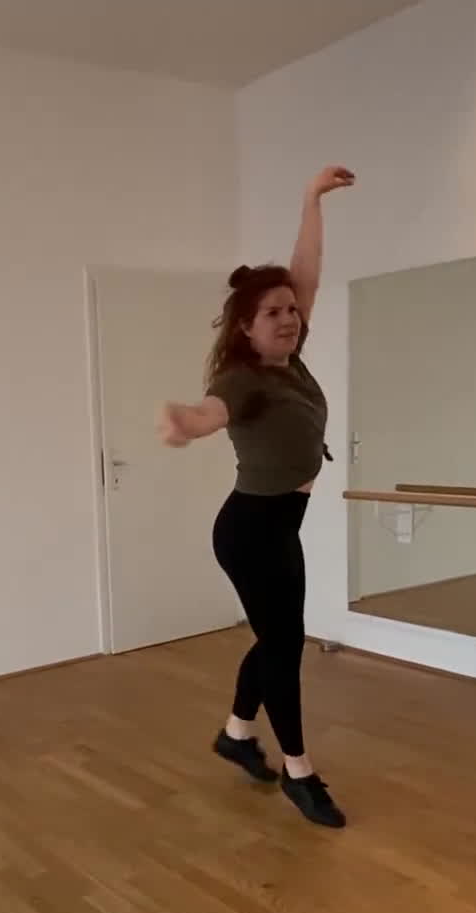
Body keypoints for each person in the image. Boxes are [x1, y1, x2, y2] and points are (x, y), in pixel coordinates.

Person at [156, 164, 356, 828]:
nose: (290, 317)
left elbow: (308, 270)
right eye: (274, 312)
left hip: (278, 526)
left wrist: (311, 199)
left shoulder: (289, 360)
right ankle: (299, 772)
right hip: (249, 532)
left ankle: (238, 734)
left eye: (292, 310)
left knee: (277, 638)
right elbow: (212, 412)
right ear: (246, 325)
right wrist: (186, 424)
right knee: (284, 646)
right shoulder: (242, 379)